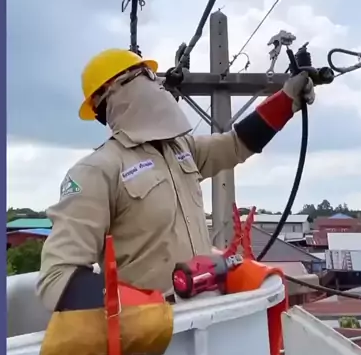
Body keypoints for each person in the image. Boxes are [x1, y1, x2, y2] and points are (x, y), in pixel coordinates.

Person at [37, 49, 314, 312]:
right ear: (114, 91)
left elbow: (237, 143)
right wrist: (144, 311)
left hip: (211, 311)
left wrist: (287, 100)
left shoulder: (181, 149)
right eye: (147, 75)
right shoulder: (98, 170)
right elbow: (57, 277)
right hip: (153, 333)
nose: (158, 84)